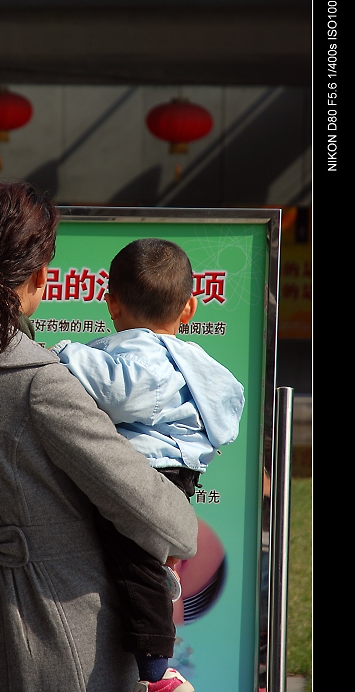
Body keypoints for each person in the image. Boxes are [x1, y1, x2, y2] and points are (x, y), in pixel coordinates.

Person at [0, 182, 198, 692]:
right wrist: (180, 521)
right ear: (40, 274)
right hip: (63, 625)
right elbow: (158, 515)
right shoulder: (39, 379)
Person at [50, 238, 245, 691]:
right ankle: (162, 573)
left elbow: (123, 393)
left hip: (142, 475)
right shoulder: (195, 359)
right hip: (176, 477)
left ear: (111, 303)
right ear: (189, 308)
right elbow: (227, 406)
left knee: (132, 570)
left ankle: (156, 674)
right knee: (142, 561)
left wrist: (66, 352)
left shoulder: (137, 351)